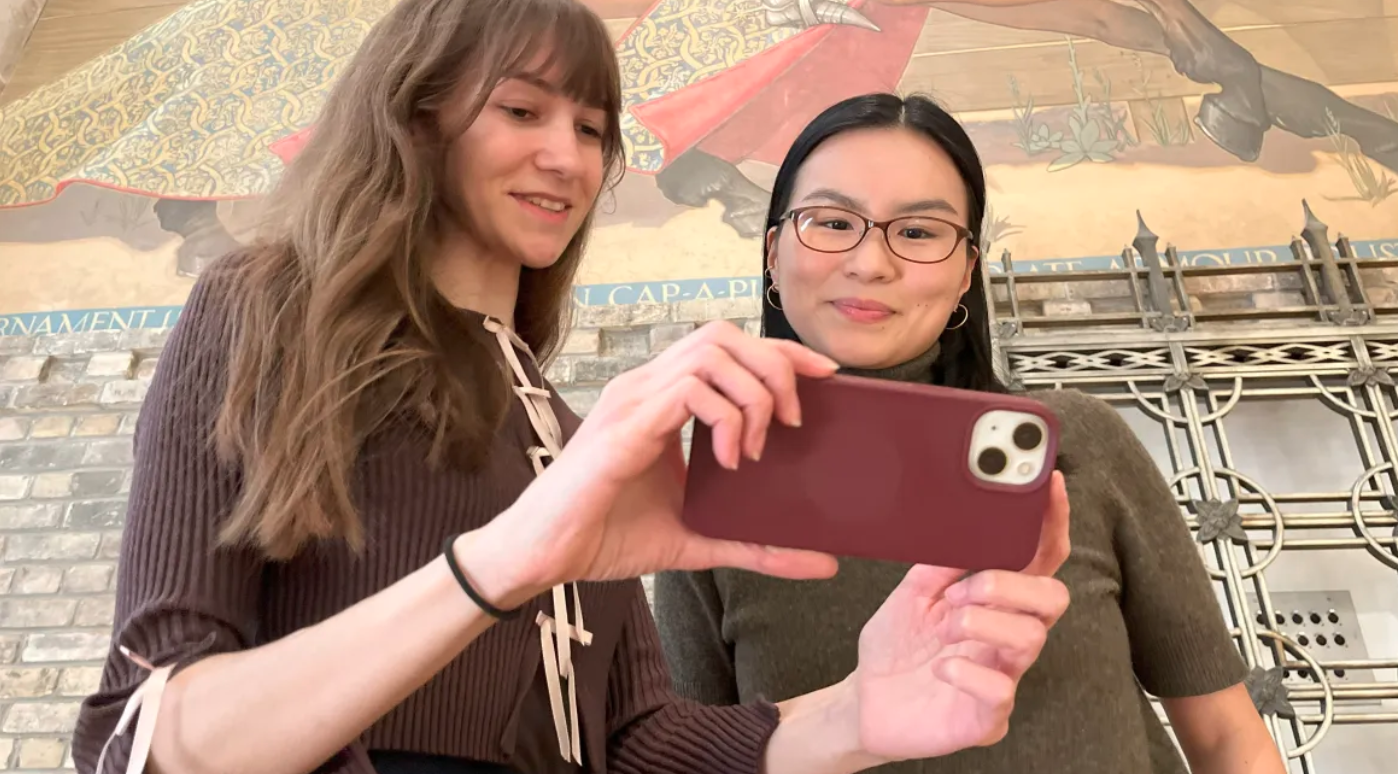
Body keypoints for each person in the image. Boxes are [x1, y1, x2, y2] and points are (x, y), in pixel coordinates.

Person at [73, 3, 1075, 773]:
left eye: (594, 130)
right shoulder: (261, 307)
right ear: (415, 114)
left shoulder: (564, 429)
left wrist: (860, 709)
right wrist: (502, 560)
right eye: (521, 110)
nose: (568, 157)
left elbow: (640, 743)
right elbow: (145, 734)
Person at [652, 92, 1289, 774]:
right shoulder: (717, 502)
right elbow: (690, 760)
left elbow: (1227, 737)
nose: (870, 262)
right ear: (774, 254)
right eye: (833, 222)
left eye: (919, 232)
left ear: (966, 273)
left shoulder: (1077, 444)